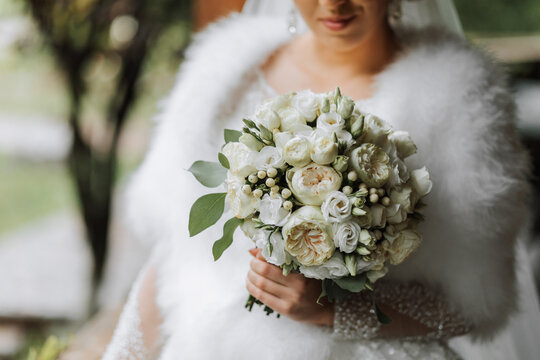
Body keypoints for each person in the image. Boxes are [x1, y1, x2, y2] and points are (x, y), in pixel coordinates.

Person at [103, 0, 535, 359]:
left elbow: (473, 304)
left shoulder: (458, 97)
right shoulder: (223, 73)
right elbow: (176, 249)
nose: (333, 3)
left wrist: (336, 309)